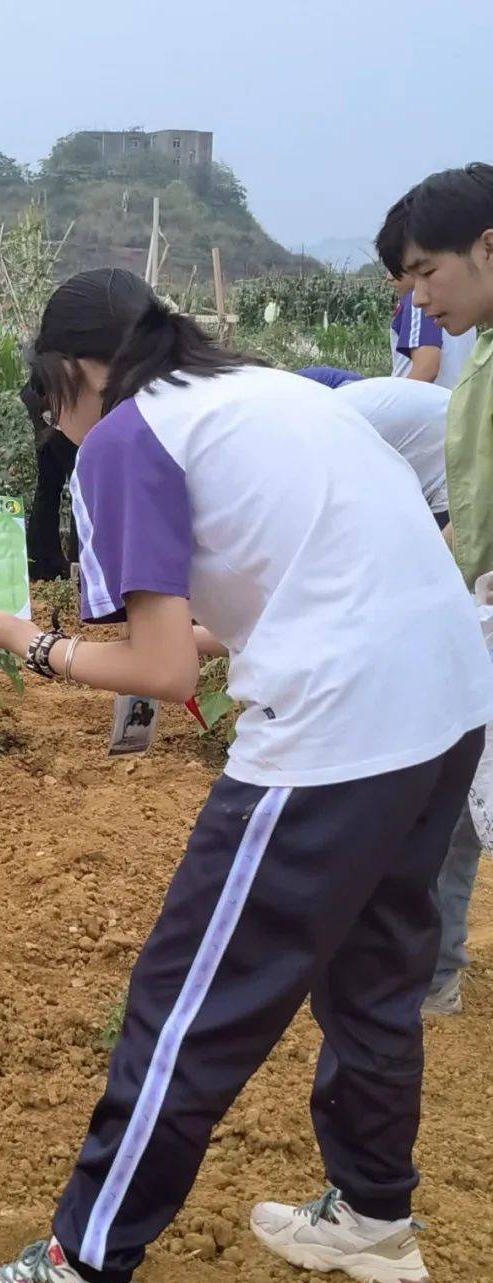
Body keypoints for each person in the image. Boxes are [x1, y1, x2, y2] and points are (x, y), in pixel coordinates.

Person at [0, 269, 493, 1283]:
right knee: (377, 969)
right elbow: (260, 595)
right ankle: (374, 1215)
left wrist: (27, 645)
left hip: (335, 732)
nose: (60, 425)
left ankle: (85, 1271)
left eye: (52, 402)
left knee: (189, 998)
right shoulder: (264, 392)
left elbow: (156, 667)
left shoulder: (128, 437)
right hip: (448, 701)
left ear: (75, 374)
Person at [377, 160, 493, 1015]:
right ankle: (433, 979)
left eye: (429, 272)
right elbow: (472, 507)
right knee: (449, 804)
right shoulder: (483, 354)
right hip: (476, 616)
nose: (420, 297)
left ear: (488, 248)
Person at [298, 370, 451, 529]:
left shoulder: (325, 434)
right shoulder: (318, 416)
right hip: (440, 440)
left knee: (434, 548)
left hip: (455, 455)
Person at [382, 205, 476, 388]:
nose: (389, 277)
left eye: (394, 267)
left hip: (421, 413)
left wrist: (395, 409)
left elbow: (426, 369)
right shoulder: (462, 302)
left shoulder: (418, 301)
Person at [20, 382, 79, 581]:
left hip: (44, 394)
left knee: (49, 482)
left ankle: (42, 564)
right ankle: (80, 567)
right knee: (82, 483)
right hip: (59, 396)